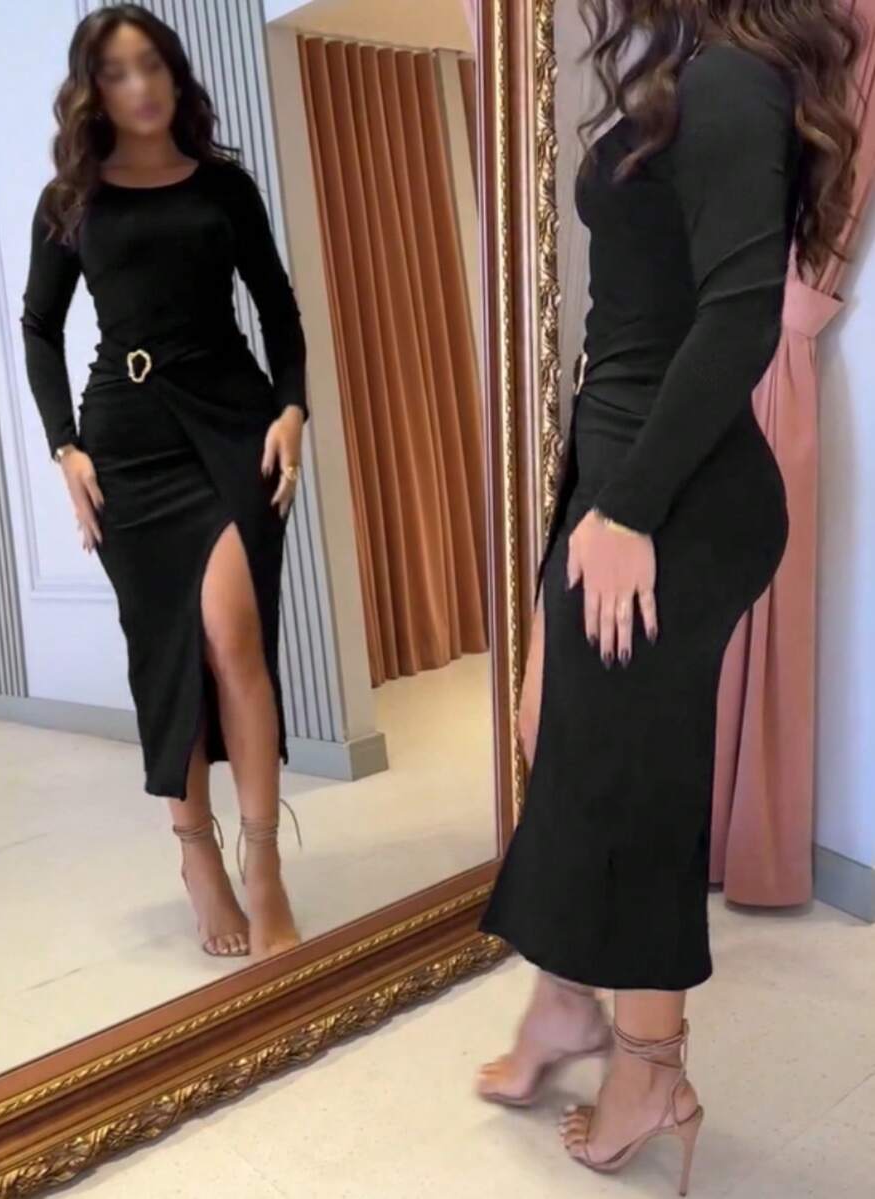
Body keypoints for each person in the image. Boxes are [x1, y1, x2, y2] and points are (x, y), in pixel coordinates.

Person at [474, 1, 865, 1193]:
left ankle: (653, 1067)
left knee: (634, 771)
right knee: (561, 730)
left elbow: (741, 319)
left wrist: (633, 511)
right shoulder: (695, 68)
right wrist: (598, 499)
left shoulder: (736, 81)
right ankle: (563, 1004)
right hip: (619, 468)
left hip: (672, 493)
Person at [20, 5, 308, 961]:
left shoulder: (225, 186)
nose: (139, 86)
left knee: (234, 636)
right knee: (166, 652)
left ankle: (264, 862)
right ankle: (198, 856)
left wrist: (293, 410)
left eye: (151, 65)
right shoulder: (71, 200)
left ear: (176, 73)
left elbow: (279, 311)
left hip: (232, 427)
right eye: (115, 72)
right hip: (128, 446)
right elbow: (38, 327)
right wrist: (66, 449)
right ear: (92, 90)